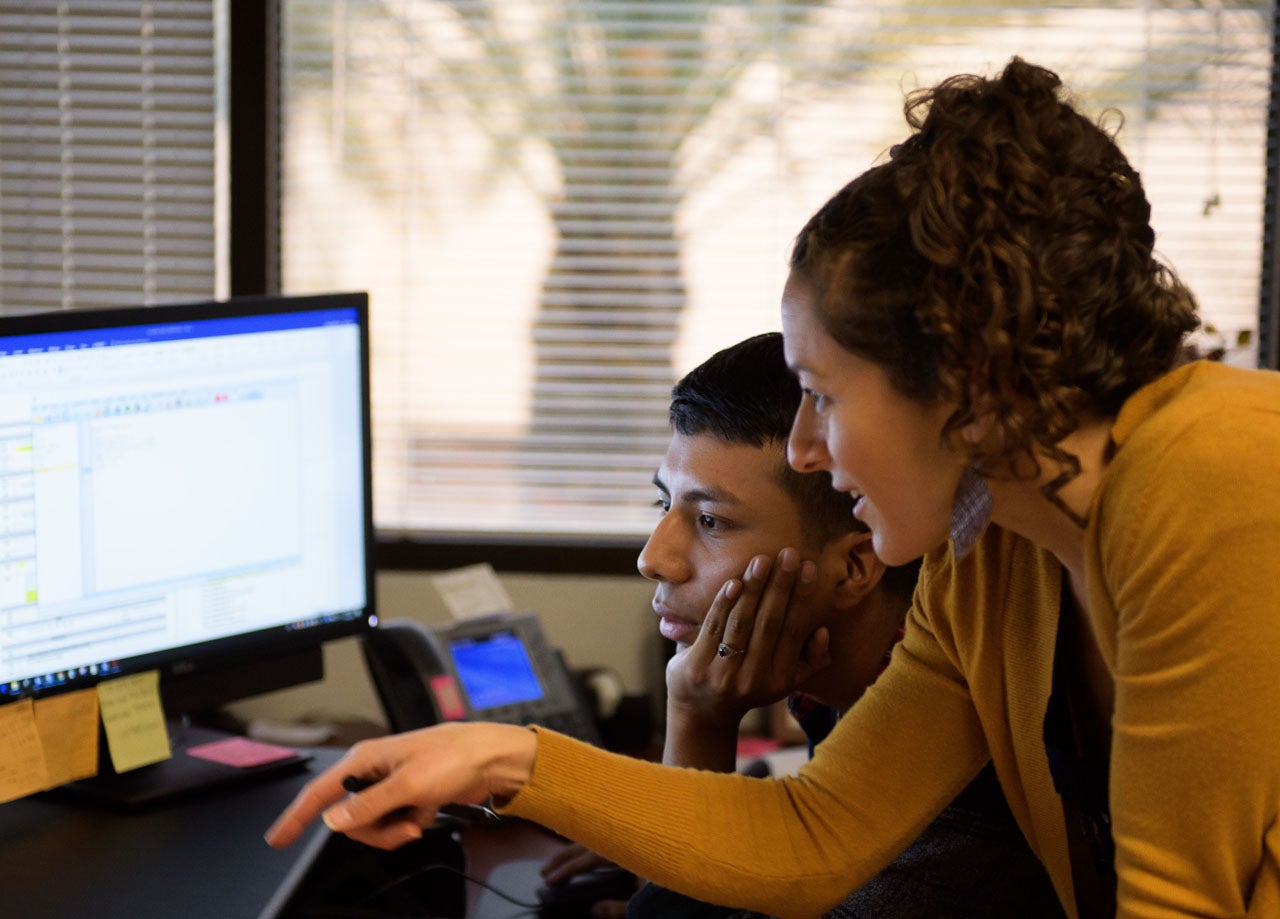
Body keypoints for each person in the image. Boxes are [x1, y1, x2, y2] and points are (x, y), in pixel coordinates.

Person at [267, 58, 1280, 918]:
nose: (802, 446)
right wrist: (499, 756)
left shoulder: (1210, 473)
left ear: (961, 376)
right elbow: (816, 829)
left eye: (820, 393)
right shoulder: (990, 546)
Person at [540, 331, 1062, 919]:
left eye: (711, 519)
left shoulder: (954, 824)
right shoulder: (838, 686)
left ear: (854, 567)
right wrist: (664, 836)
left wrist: (698, 720)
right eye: (666, 506)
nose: (654, 558)